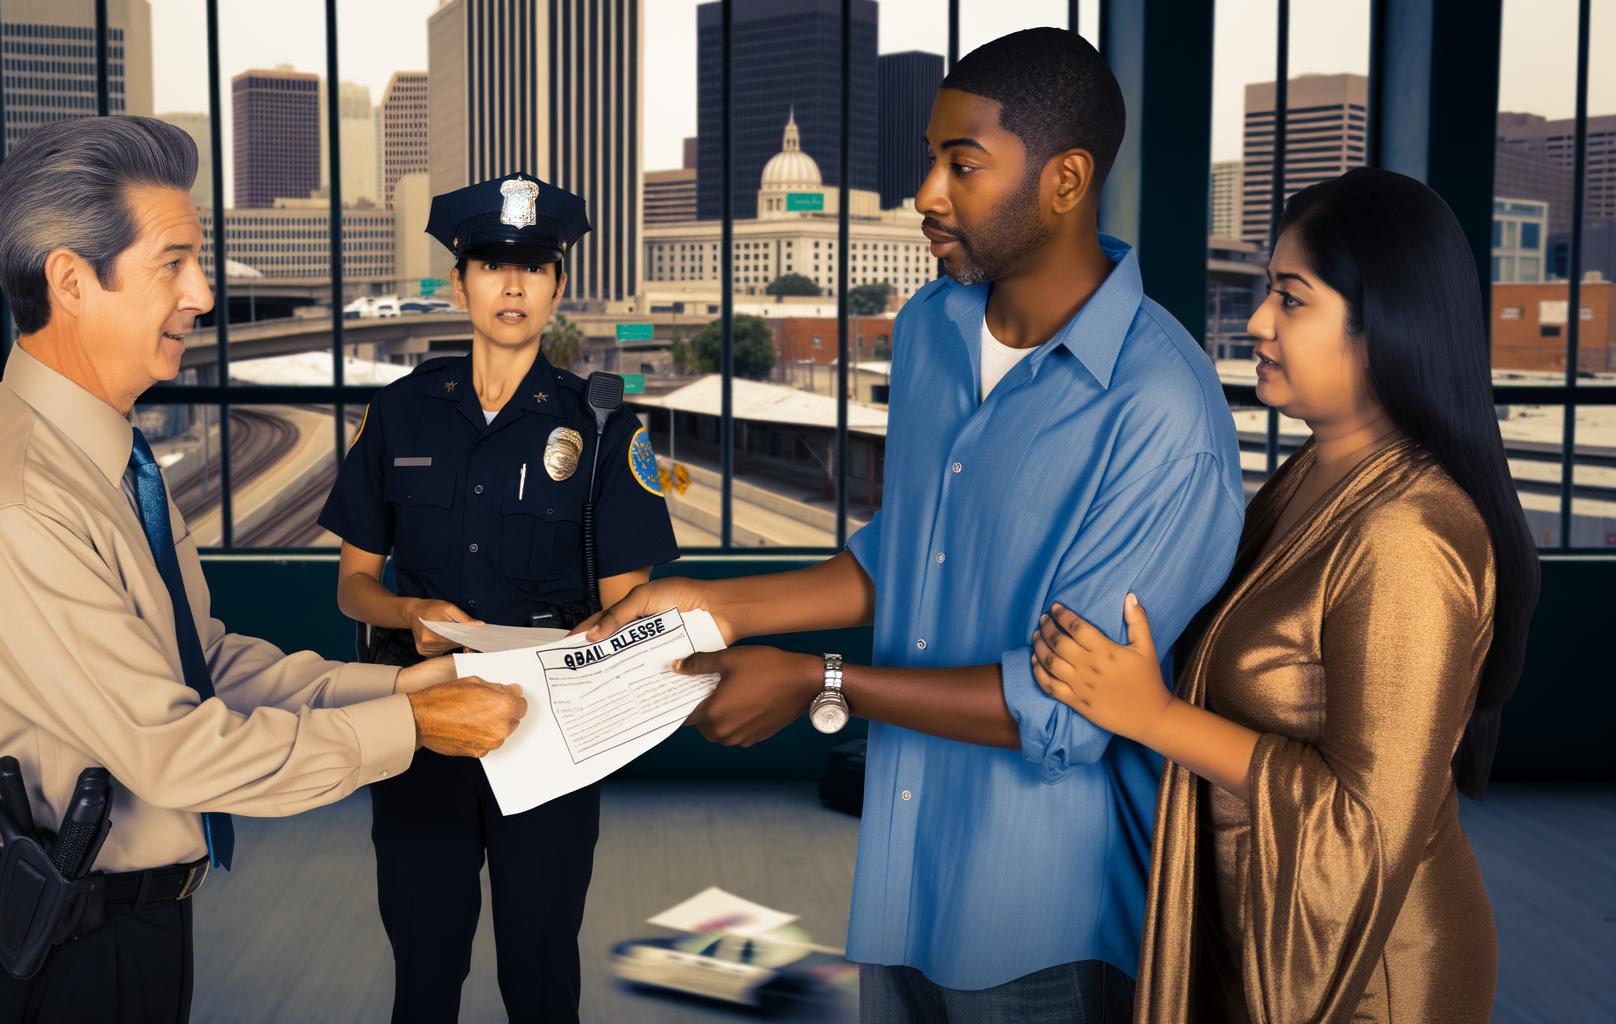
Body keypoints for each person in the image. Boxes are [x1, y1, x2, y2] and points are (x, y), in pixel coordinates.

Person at [582, 29, 1243, 1023]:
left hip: (1045, 925)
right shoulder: (932, 330)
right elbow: (905, 561)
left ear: (1065, 182)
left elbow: (1065, 706)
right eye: (929, 159)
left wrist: (818, 679)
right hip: (898, 892)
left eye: (961, 165)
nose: (926, 194)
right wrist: (717, 605)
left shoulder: (1162, 410)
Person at [0, 115, 526, 1022]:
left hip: (121, 924)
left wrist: (407, 687)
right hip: (56, 950)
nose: (202, 292)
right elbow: (175, 750)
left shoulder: (100, 465)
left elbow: (203, 664)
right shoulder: (22, 506)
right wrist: (413, 729)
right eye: (174, 263)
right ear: (72, 281)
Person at [1029, 168, 1540, 1023]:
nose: (1259, 323)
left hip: (1373, 974)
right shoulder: (1313, 475)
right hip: (1265, 926)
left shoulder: (1408, 534)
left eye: (1292, 300)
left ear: (1388, 327)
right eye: (1268, 292)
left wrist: (1154, 716)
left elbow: (1365, 831)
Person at [318, 172, 681, 1022]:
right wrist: (409, 613)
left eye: (532, 266)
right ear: (460, 282)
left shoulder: (604, 431)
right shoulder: (400, 415)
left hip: (547, 728)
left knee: (542, 970)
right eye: (490, 264)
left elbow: (632, 608)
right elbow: (353, 588)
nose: (511, 284)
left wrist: (572, 646)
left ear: (557, 285)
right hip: (422, 721)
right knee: (424, 967)